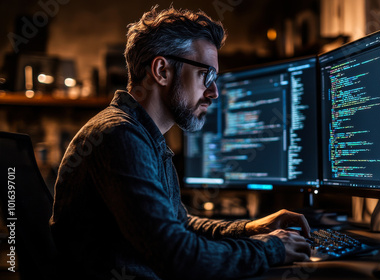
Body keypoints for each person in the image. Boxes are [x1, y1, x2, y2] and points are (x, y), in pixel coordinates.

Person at [50, 6, 311, 279]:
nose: (215, 92)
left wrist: (250, 229)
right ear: (162, 71)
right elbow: (179, 255)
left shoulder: (145, 137)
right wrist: (271, 249)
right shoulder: (119, 135)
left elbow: (180, 225)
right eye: (205, 75)